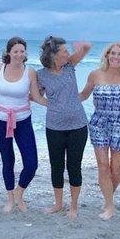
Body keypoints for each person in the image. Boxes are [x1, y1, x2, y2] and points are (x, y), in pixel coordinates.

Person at [37, 36, 91, 220]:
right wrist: (52, 106)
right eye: (65, 51)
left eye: (68, 51)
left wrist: (81, 46)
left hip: (78, 126)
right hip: (54, 128)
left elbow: (86, 48)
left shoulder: (69, 66)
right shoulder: (41, 74)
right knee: (57, 166)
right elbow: (35, 96)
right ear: (53, 55)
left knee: (74, 167)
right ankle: (58, 204)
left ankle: (73, 206)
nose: (68, 53)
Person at [80, 42, 120, 220]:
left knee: (115, 171)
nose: (116, 57)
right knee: (103, 167)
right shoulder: (95, 74)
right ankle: (110, 205)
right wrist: (59, 98)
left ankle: (108, 197)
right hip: (99, 122)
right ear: (107, 55)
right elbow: (82, 96)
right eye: (113, 53)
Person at [0, 37, 44, 213]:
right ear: (8, 52)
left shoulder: (30, 72)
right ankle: (10, 199)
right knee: (8, 160)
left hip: (22, 121)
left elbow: (36, 97)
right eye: (16, 51)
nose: (19, 54)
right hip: (0, 120)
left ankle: (19, 193)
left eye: (22, 51)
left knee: (31, 163)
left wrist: (55, 104)